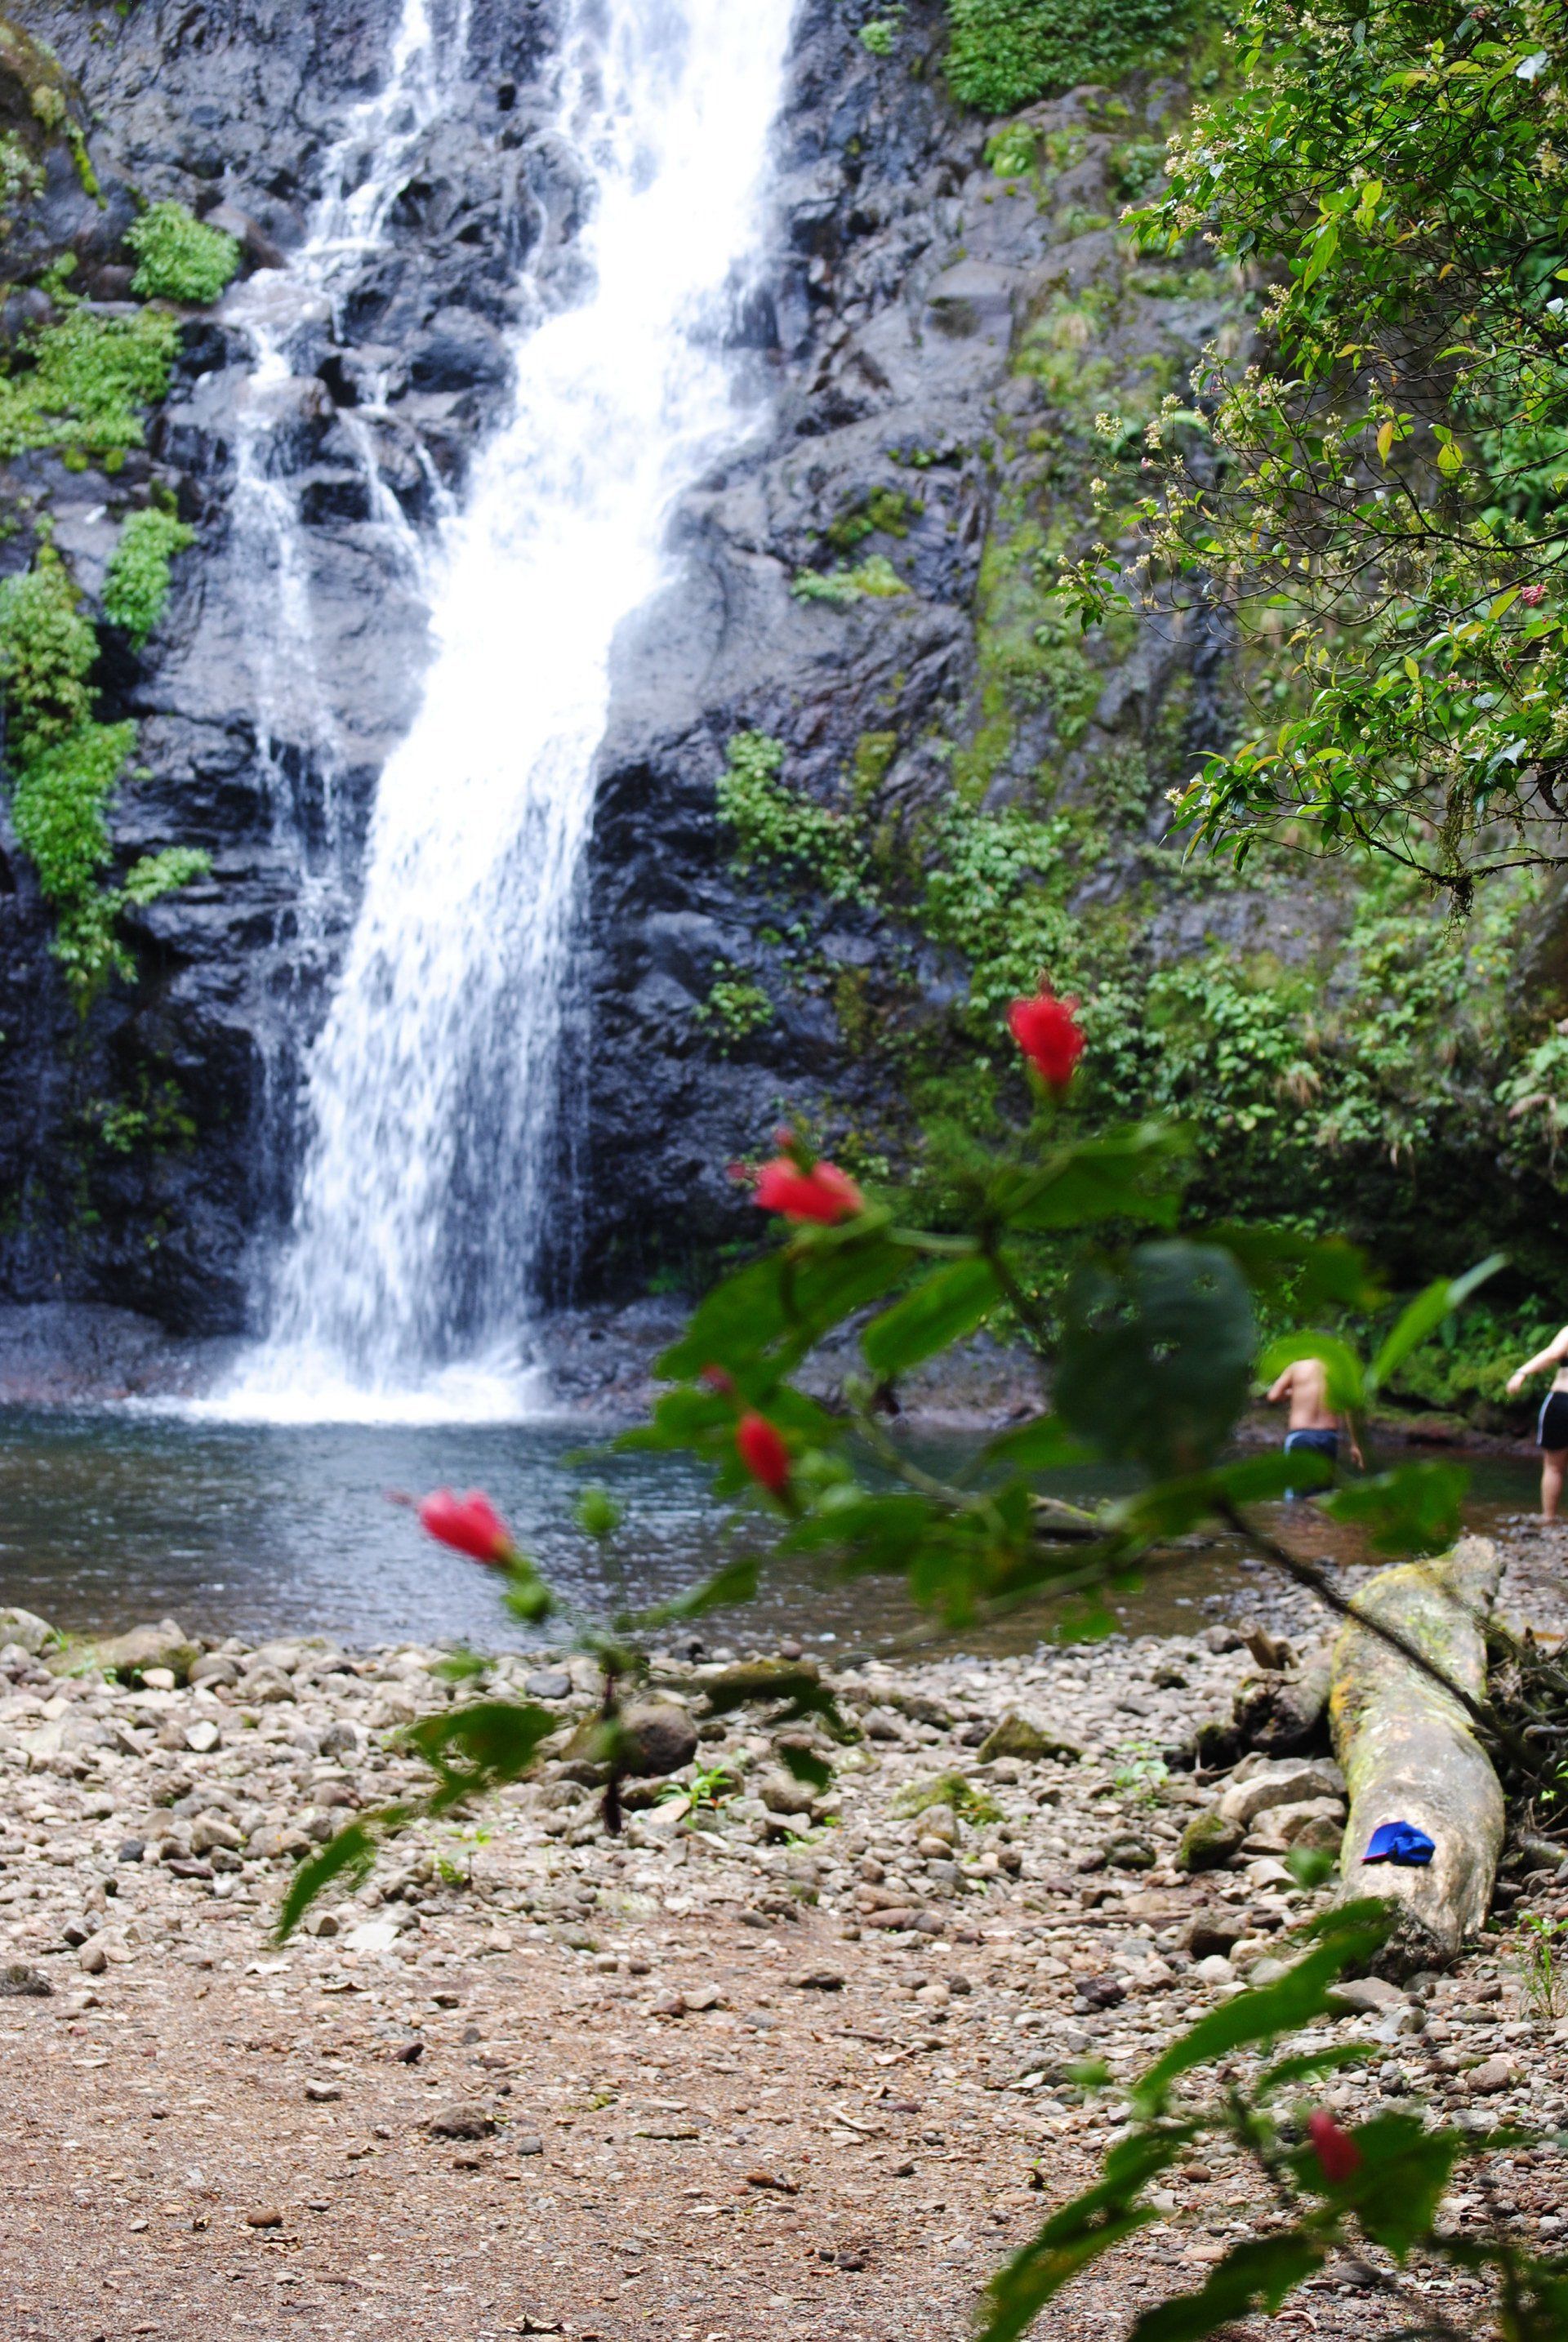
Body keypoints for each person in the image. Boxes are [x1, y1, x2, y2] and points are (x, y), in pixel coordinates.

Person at [1266, 1355, 1363, 1497]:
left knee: (1297, 1492)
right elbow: (1349, 1408)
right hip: (1329, 1437)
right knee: (1322, 1494)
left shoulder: (1297, 1367)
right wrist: (1354, 1444)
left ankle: (1293, 1518)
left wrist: (1294, 1391)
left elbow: (1273, 1396)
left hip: (1302, 1436)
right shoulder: (1337, 1370)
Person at [1506, 1327, 1568, 1521]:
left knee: (1553, 1467)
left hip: (1563, 1401)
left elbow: (1554, 1353)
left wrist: (1522, 1372)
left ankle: (1548, 1519)